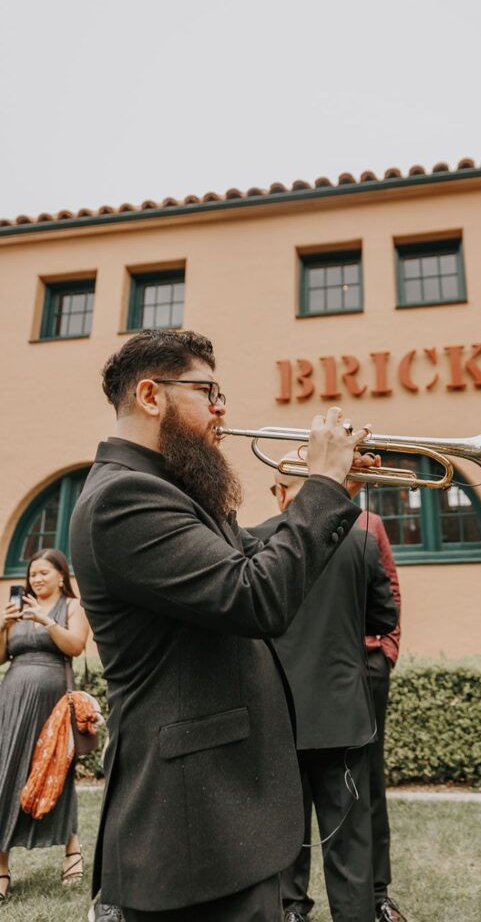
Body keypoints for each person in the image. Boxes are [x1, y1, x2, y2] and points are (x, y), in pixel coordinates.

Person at [69, 328, 371, 922]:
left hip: (220, 816)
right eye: (208, 391)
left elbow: (247, 562)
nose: (222, 408)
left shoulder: (164, 489)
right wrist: (323, 488)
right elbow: (255, 595)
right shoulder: (121, 497)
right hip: (191, 826)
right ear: (152, 395)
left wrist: (337, 496)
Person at [250, 468, 397, 922]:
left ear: (280, 495)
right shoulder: (361, 540)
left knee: (283, 833)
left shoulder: (255, 540)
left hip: (278, 714)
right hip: (342, 717)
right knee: (349, 843)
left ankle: (291, 910)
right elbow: (382, 616)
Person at [0, 547, 90, 903]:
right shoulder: (19, 609)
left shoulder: (71, 607)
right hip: (10, 698)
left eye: (43, 573)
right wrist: (4, 625)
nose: (36, 579)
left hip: (50, 702)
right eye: (32, 574)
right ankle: (2, 867)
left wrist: (46, 621)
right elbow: (1, 656)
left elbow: (77, 646)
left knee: (51, 772)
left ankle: (71, 849)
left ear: (61, 577)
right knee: (5, 774)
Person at [359, 509, 406, 922]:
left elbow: (391, 587)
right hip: (314, 670)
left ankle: (377, 893)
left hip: (368, 661)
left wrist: (386, 651)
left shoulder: (370, 524)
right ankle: (291, 904)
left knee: (371, 780)